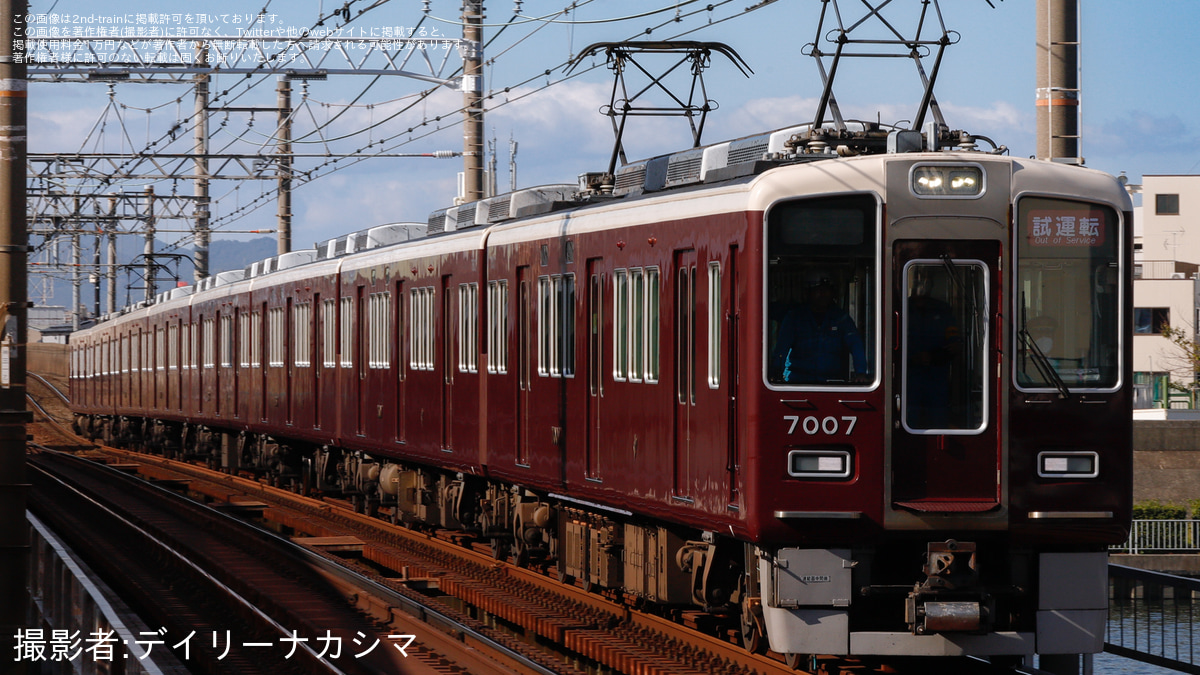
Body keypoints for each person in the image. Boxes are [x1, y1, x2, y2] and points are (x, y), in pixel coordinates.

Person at [770, 273, 868, 384]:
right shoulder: (794, 317)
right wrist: (776, 373)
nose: (823, 294)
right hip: (798, 381)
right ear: (808, 292)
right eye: (818, 290)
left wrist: (860, 373)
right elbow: (782, 348)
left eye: (826, 290)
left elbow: (856, 345)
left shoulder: (841, 318)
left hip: (832, 381)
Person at [905, 267, 961, 428]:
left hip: (936, 374)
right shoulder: (901, 307)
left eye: (927, 281)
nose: (922, 285)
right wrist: (911, 358)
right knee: (909, 418)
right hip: (908, 374)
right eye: (918, 281)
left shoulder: (942, 309)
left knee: (938, 419)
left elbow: (954, 343)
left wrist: (934, 356)